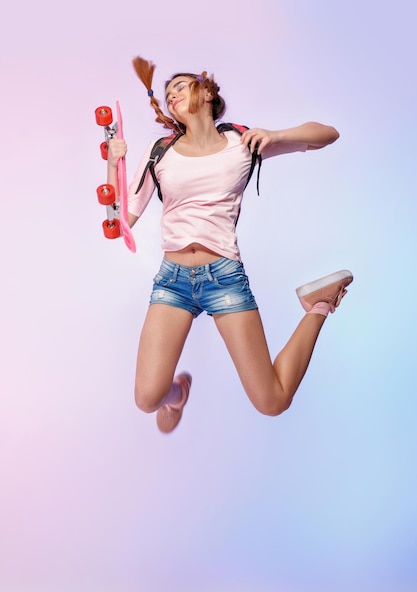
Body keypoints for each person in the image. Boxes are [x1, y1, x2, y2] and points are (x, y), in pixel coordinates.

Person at [106, 57, 353, 433]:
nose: (172, 95)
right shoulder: (161, 152)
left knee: (273, 401)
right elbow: (118, 221)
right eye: (168, 93)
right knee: (147, 398)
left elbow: (327, 135)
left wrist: (277, 135)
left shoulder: (242, 143)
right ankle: (178, 394)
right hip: (173, 280)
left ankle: (317, 304)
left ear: (206, 92)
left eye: (181, 87)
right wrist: (112, 165)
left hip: (224, 278)